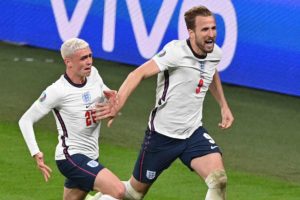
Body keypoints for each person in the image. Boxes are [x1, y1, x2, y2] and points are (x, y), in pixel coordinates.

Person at [93, 5, 234, 200]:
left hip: (193, 133)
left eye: (213, 28)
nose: (211, 34)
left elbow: (211, 72)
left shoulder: (214, 53)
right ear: (191, 32)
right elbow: (138, 73)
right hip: (162, 136)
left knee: (218, 181)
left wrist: (223, 105)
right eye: (205, 29)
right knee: (134, 194)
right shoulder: (175, 52)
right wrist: (118, 104)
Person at [19, 38, 125, 200]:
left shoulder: (94, 74)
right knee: (117, 191)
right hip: (71, 157)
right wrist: (36, 152)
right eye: (83, 58)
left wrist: (110, 100)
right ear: (68, 62)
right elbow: (25, 120)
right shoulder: (57, 91)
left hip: (91, 154)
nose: (89, 62)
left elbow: (102, 92)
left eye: (90, 56)